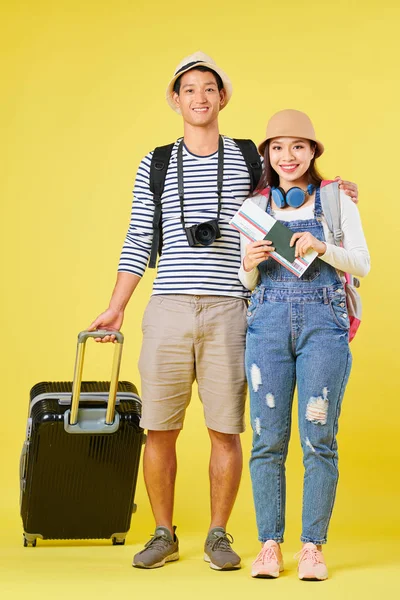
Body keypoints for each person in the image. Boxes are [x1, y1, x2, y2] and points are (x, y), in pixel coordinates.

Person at [88, 53, 359, 571]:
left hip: (236, 306)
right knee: (159, 427)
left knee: (227, 428)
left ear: (222, 97)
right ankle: (163, 532)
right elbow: (140, 236)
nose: (199, 98)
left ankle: (219, 534)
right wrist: (117, 306)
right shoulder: (157, 161)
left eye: (208, 89)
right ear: (176, 99)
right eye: (188, 90)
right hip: (167, 306)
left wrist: (335, 193)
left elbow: (290, 187)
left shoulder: (247, 158)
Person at [239, 109, 370, 581]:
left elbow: (362, 262)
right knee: (267, 439)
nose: (287, 156)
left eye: (298, 147)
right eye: (277, 147)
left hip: (323, 324)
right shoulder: (255, 209)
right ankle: (269, 544)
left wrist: (321, 248)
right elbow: (247, 282)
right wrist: (250, 263)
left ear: (313, 151)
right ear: (267, 155)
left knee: (319, 439)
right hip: (268, 326)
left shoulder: (336, 201)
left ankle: (312, 546)